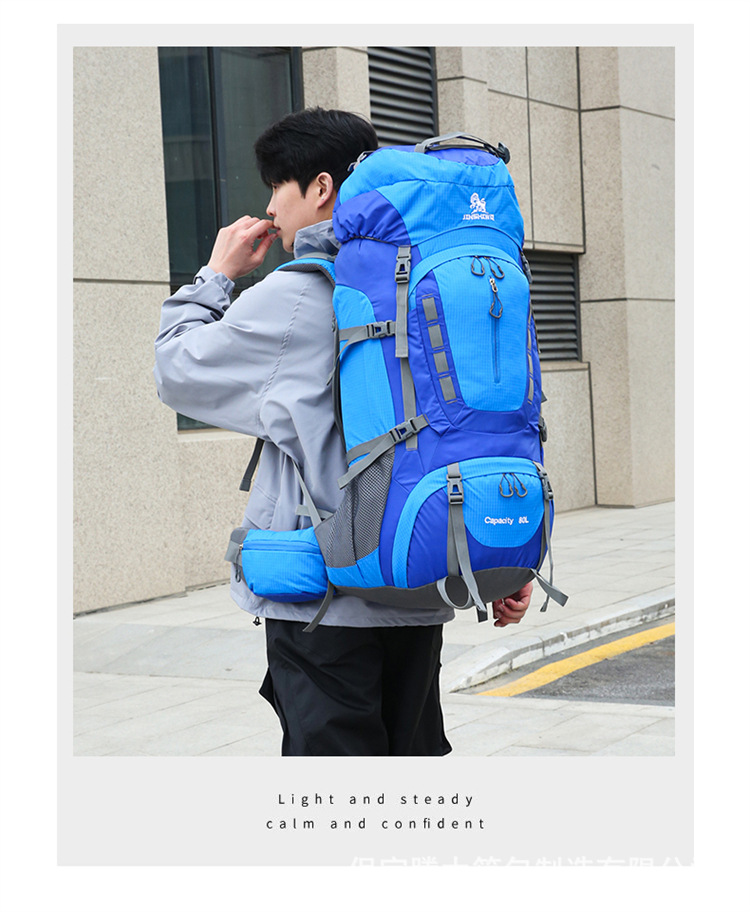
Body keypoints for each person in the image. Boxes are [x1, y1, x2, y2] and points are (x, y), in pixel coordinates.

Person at [154, 107, 532, 757]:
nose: (270, 207)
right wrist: (501, 555)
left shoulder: (300, 292)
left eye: (278, 186)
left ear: (322, 187)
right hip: (418, 580)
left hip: (325, 601)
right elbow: (493, 420)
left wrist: (215, 275)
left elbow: (176, 371)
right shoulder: (433, 282)